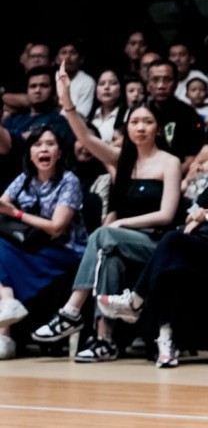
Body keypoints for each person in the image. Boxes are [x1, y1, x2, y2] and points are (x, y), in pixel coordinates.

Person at [31, 62, 182, 362]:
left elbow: (166, 215)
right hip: (121, 242)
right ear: (127, 128)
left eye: (147, 121)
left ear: (157, 128)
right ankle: (105, 340)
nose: (141, 127)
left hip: (156, 244)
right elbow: (86, 139)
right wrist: (67, 100)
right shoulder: (122, 159)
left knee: (103, 236)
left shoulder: (170, 162)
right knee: (108, 255)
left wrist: (121, 223)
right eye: (135, 122)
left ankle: (71, 311)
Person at [95, 126, 208, 367]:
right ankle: (165, 340)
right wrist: (196, 217)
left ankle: (136, 301)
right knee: (170, 263)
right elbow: (192, 213)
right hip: (205, 246)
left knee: (171, 243)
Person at [0, 125, 87, 359]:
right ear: (30, 153)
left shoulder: (69, 181)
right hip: (31, 247)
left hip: (65, 251)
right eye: (37, 145)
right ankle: (7, 313)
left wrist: (16, 213)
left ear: (59, 152)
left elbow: (57, 227)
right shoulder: (24, 178)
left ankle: (5, 332)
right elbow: (2, 204)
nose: (44, 149)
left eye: (50, 144)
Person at [56, 40, 96, 117]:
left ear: (81, 59)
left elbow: (82, 115)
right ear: (57, 59)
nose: (68, 56)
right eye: (64, 53)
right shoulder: (50, 79)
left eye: (73, 53)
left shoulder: (87, 82)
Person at [88, 69, 128, 144]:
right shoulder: (90, 117)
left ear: (121, 89)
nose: (106, 87)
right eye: (102, 84)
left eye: (113, 83)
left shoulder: (128, 116)